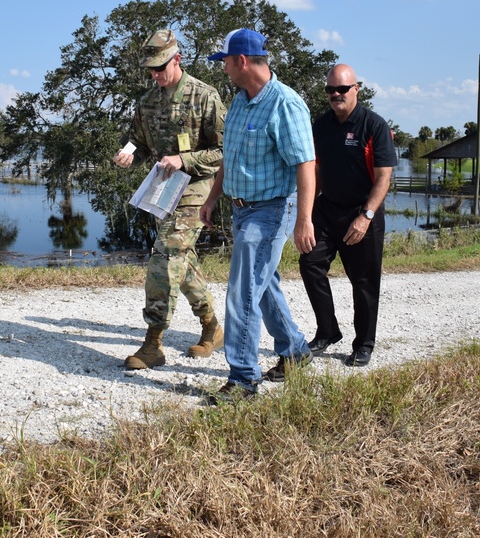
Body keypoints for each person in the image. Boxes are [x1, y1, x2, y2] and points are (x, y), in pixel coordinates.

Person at [199, 28, 317, 402]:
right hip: (241, 209)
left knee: (242, 292)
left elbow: (306, 163)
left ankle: (244, 379)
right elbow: (230, 159)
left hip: (270, 210)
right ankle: (295, 350)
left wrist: (304, 219)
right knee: (262, 289)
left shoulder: (285, 103)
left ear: (242, 61)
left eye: (225, 63)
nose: (224, 69)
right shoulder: (239, 101)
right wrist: (213, 198)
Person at [113, 29, 227, 369]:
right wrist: (128, 153)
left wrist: (185, 160)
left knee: (165, 256)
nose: (155, 74)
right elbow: (137, 140)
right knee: (180, 258)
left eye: (160, 67)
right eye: (151, 69)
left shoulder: (205, 96)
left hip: (197, 188)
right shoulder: (147, 102)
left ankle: (153, 343)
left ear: (177, 59)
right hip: (164, 191)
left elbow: (225, 151)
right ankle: (212, 327)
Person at [299, 63, 397, 367]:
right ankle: (328, 331)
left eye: (342, 89)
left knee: (364, 281)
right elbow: (313, 169)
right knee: (310, 263)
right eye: (330, 90)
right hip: (328, 208)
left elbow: (383, 177)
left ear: (356, 89)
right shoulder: (321, 125)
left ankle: (364, 343)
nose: (336, 94)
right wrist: (305, 212)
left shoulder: (374, 126)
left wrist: (366, 216)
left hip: (361, 211)